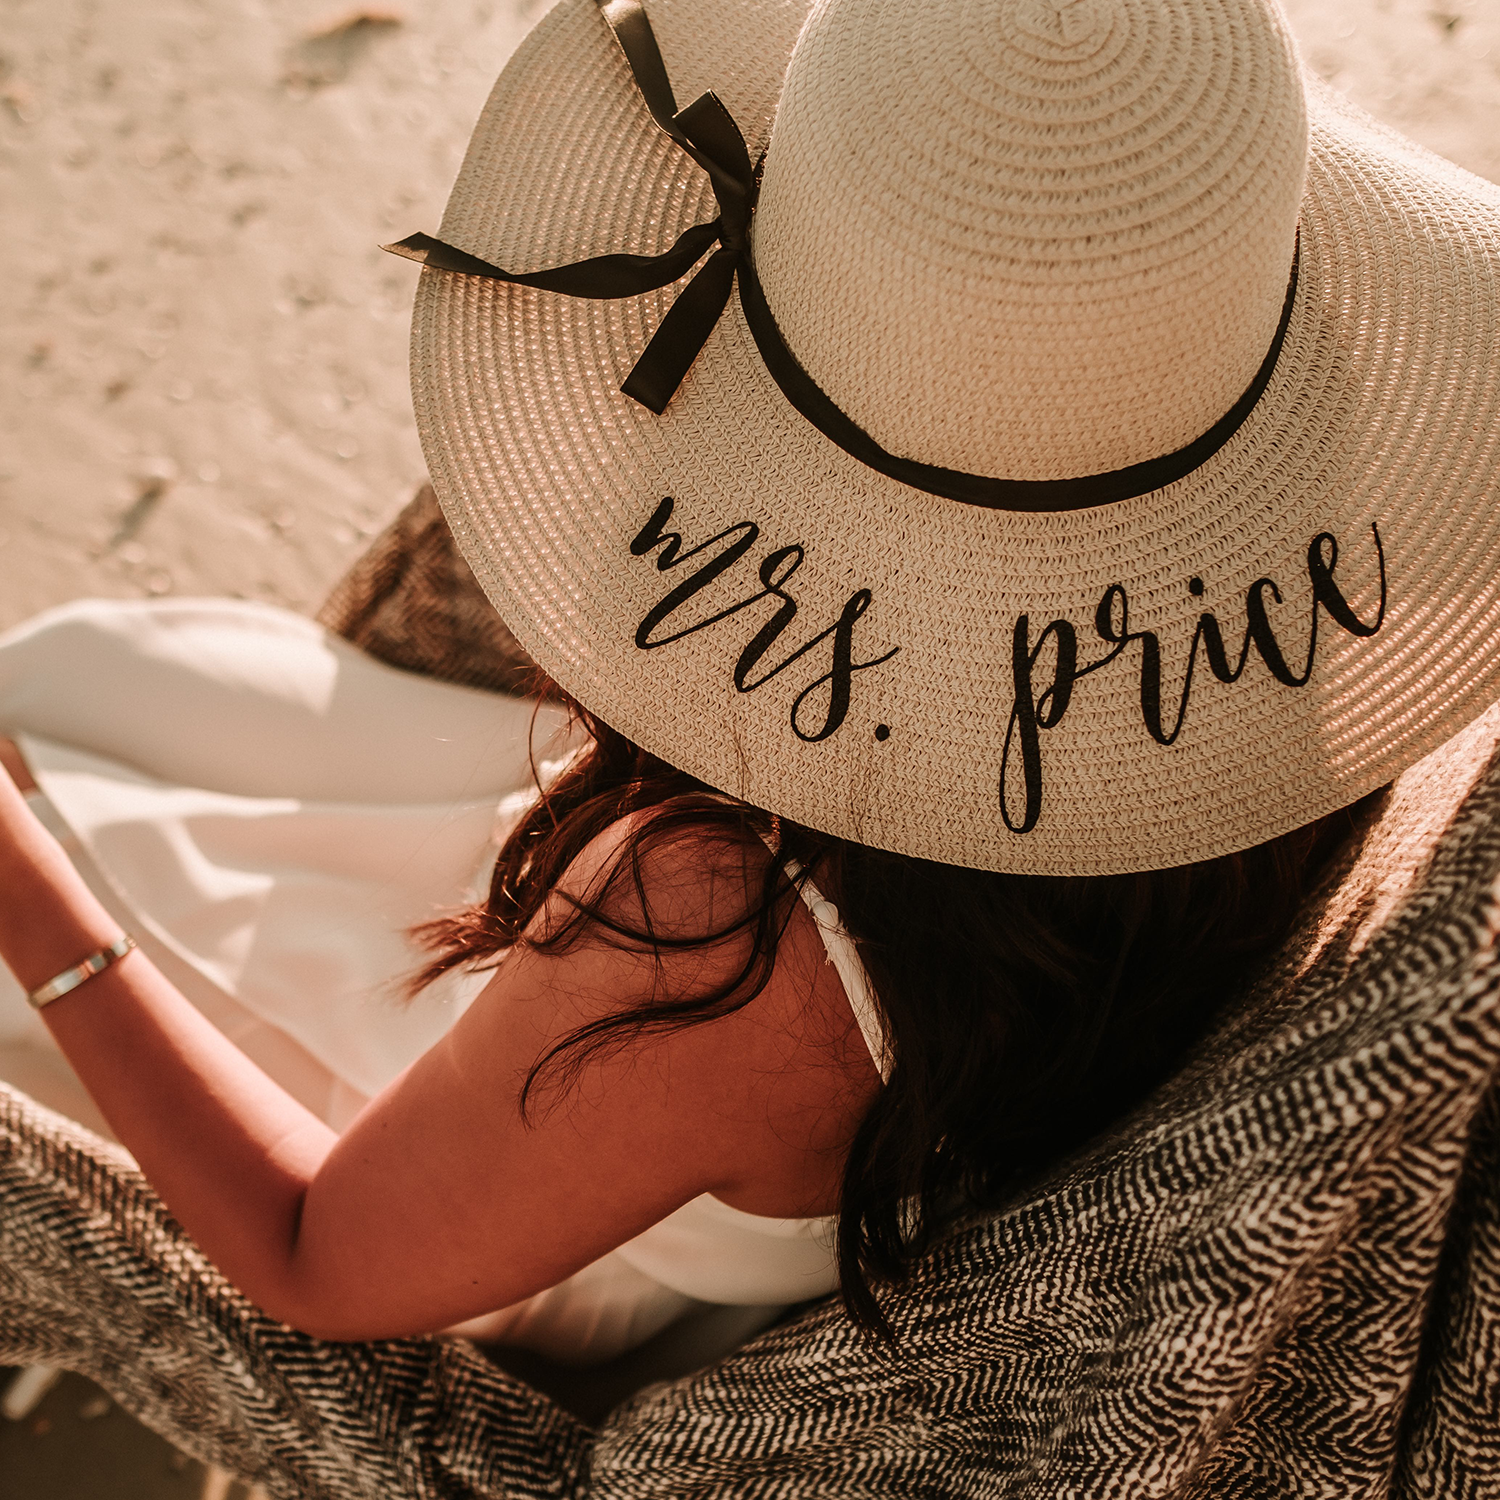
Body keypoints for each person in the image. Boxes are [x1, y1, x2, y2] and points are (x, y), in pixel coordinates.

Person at [2, 0, 1499, 1394]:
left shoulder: (706, 919)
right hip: (686, 1038)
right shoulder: (1278, 694)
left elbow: (318, 1262)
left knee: (43, 869)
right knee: (94, 687)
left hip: (547, 1186)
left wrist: (30, 899)